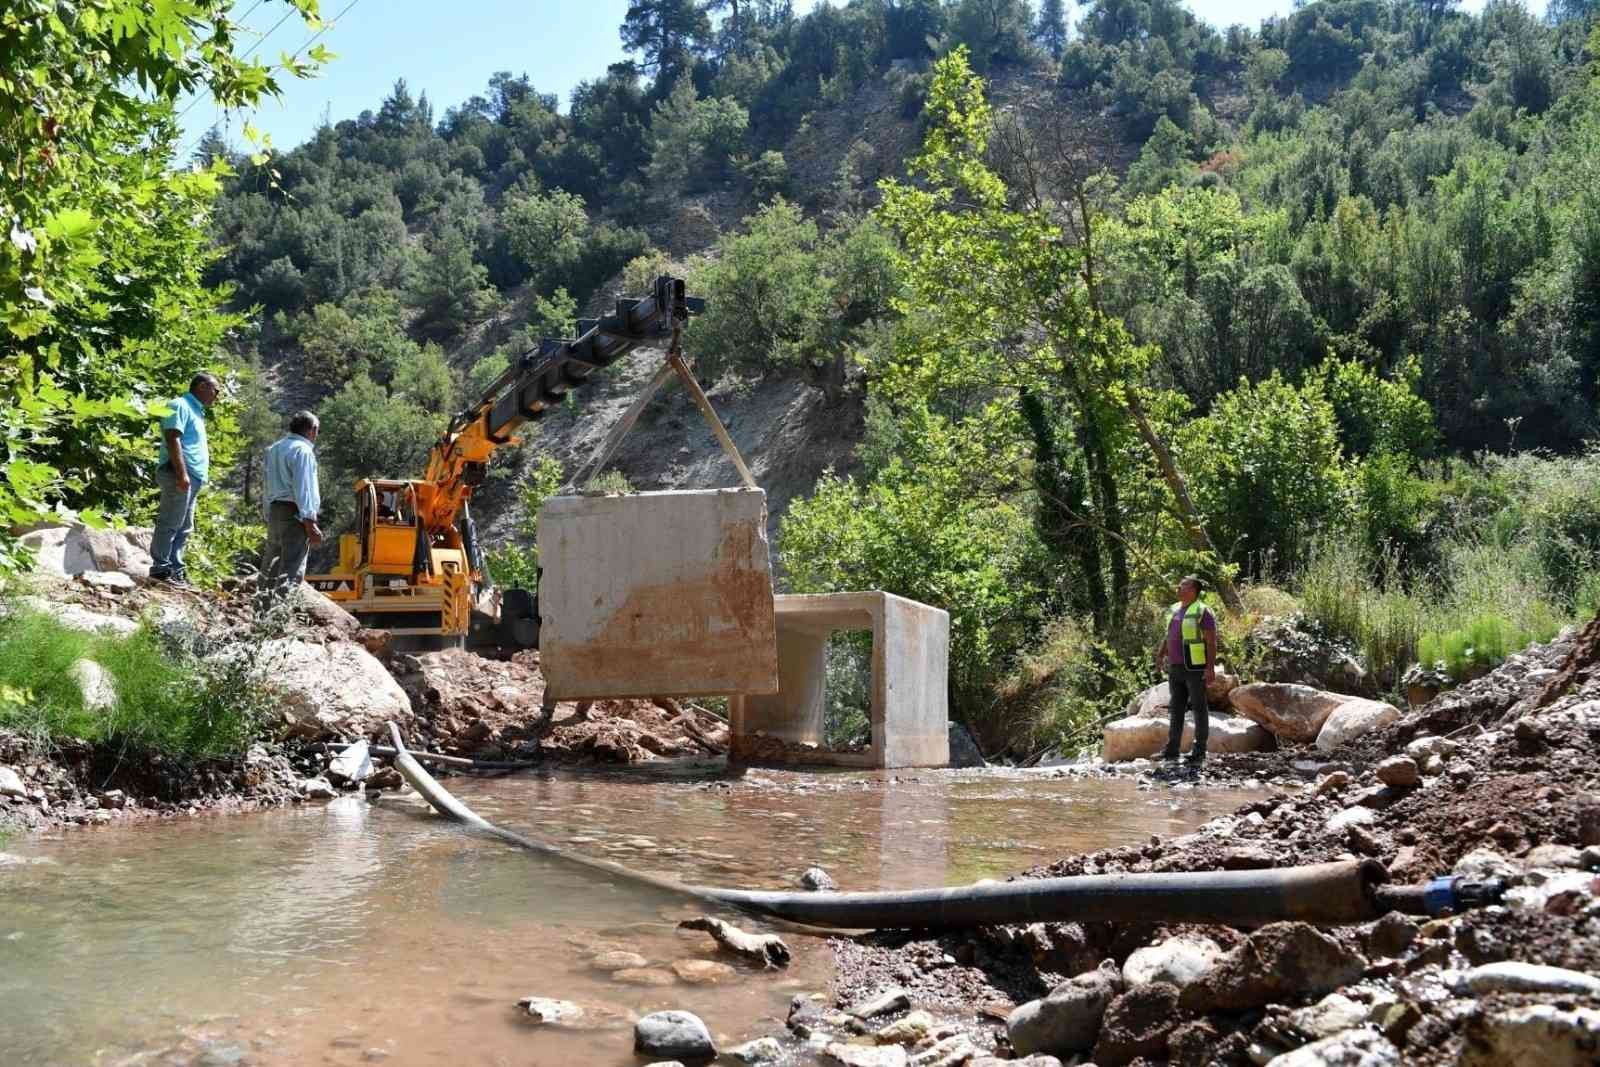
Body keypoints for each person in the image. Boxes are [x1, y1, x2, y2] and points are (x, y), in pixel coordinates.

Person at [149, 373, 220, 587]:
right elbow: (172, 436)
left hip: (192, 476)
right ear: (201, 386)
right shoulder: (179, 404)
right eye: (215, 390)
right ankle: (160, 570)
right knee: (171, 521)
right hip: (178, 473)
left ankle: (175, 570)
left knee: (184, 526)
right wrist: (181, 473)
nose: (217, 395)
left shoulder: (196, 411)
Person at [260, 411, 324, 603]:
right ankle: (279, 619)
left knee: (271, 565)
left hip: (275, 511)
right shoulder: (303, 451)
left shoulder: (274, 449)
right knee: (291, 568)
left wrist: (267, 512)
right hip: (295, 512)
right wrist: (310, 522)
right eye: (317, 430)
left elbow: (266, 484)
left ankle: (261, 613)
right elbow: (303, 487)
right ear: (312, 430)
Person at [1154, 574, 1217, 766]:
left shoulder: (1203, 612)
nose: (1178, 588)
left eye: (1183, 586)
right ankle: (1171, 749)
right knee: (1176, 708)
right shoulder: (1174, 609)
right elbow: (1169, 635)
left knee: (1199, 708)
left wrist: (1210, 668)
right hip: (1175, 667)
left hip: (1195, 668)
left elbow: (1211, 641)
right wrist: (1160, 655)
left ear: (1193, 590)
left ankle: (1199, 751)